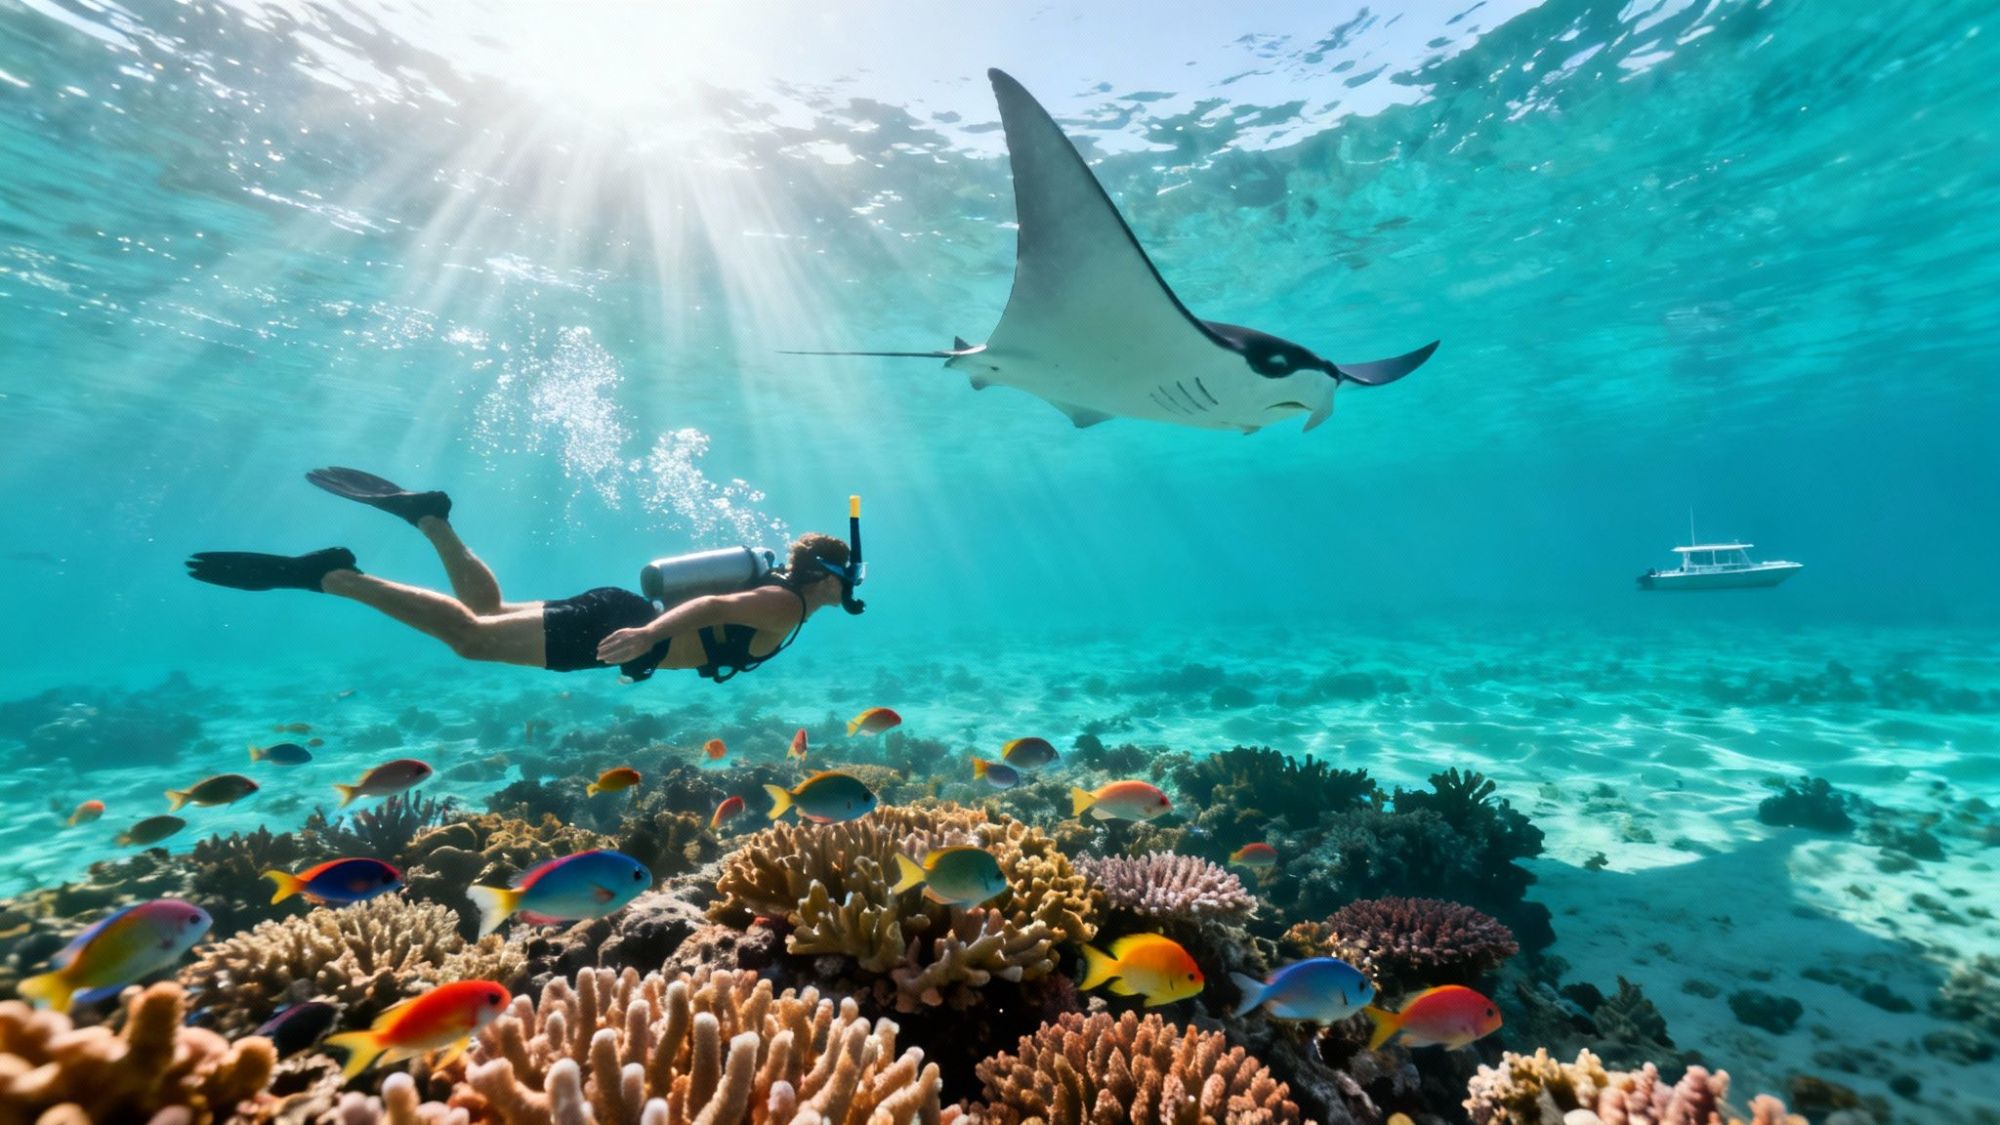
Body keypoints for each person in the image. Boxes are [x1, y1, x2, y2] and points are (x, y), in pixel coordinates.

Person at [184, 467, 854, 681]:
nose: (848, 593)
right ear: (823, 577)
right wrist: (647, 639)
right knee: (473, 637)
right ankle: (333, 577)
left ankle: (429, 518)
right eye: (846, 581)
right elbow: (706, 615)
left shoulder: (776, 593)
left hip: (615, 612)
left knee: (488, 609)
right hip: (618, 629)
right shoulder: (782, 605)